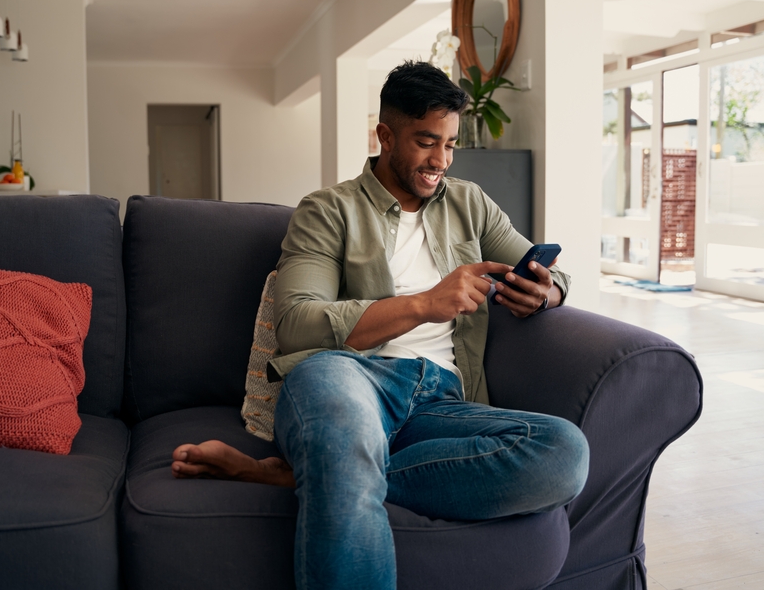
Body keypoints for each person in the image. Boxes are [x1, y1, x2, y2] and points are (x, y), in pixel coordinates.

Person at [171, 61, 589, 590]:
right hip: (349, 377)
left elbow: (543, 268)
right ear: (385, 135)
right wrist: (424, 304)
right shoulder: (327, 210)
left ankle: (309, 472)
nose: (441, 160)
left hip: (442, 398)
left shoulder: (469, 203)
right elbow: (297, 323)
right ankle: (335, 464)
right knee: (344, 429)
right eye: (425, 142)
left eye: (451, 144)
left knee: (563, 452)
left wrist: (545, 290)